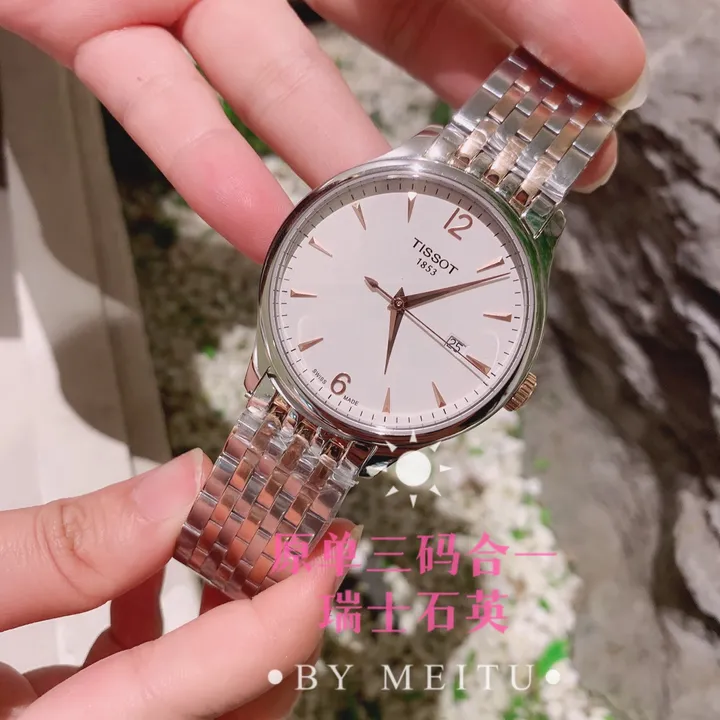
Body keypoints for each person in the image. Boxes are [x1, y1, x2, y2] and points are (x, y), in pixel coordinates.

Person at [0, 1, 647, 717]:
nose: (399, 303)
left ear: (507, 385)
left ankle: (223, 585)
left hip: (338, 410)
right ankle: (221, 588)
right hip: (295, 379)